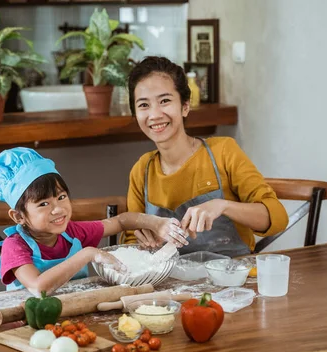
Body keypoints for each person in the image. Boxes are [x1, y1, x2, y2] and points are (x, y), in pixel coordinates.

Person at [123, 56, 288, 257]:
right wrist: (144, 239)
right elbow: (132, 241)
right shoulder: (142, 171)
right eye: (143, 105)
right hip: (171, 284)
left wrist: (223, 206)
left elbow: (277, 217)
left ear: (185, 106)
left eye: (165, 101)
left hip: (232, 279)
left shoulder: (224, 152)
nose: (155, 114)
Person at [0, 147, 187, 295]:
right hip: (29, 323)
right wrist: (88, 254)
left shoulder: (71, 233)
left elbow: (121, 222)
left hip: (73, 316)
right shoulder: (15, 246)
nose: (58, 209)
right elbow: (38, 287)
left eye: (61, 197)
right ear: (19, 216)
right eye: (43, 204)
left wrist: (156, 223)